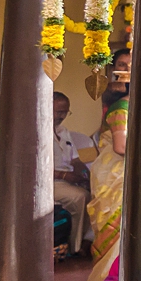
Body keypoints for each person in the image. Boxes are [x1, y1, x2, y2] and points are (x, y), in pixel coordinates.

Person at [84, 48, 132, 281]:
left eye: (131, 64)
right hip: (116, 178)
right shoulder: (121, 106)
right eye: (121, 65)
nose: (126, 69)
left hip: (126, 175)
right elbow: (122, 147)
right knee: (114, 238)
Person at [52, 91, 92, 257]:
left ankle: (85, 242)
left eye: (65, 112)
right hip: (49, 183)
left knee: (94, 194)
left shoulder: (63, 131)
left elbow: (75, 160)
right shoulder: (35, 132)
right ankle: (75, 248)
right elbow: (32, 168)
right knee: (80, 197)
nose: (62, 116)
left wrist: (85, 174)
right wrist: (64, 176)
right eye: (59, 112)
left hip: (67, 181)